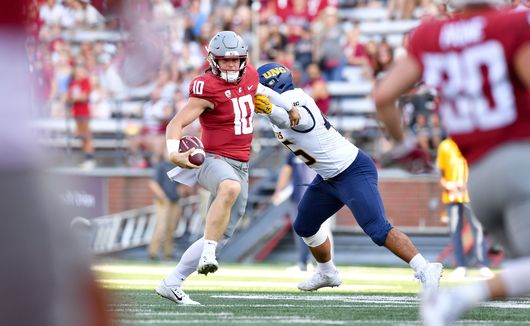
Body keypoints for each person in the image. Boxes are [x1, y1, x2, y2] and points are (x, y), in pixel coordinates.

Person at [372, 2, 530, 324]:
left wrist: (405, 144)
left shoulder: (430, 34)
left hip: (480, 179)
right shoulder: (512, 25)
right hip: (519, 163)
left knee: (522, 273)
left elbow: (382, 96)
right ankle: (458, 298)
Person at [254, 62, 443, 293]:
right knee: (305, 224)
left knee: (378, 229)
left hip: (352, 170)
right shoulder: (286, 102)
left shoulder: (297, 100)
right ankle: (327, 272)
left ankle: (425, 268)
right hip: (328, 177)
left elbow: (291, 119)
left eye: (262, 88)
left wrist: (270, 110)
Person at [155, 31, 300, 305]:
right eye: (225, 61)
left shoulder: (250, 76)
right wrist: (173, 153)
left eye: (236, 61)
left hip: (241, 164)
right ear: (213, 60)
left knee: (223, 236)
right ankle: (208, 254)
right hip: (213, 159)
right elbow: (176, 123)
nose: (232, 66)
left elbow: (262, 90)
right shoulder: (206, 87)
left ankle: (172, 282)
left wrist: (288, 105)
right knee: (229, 188)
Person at [436, 138, 492, 278]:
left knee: (477, 228)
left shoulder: (470, 140)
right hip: (451, 195)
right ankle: (461, 266)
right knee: (455, 231)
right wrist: (448, 185)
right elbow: (441, 175)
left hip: (469, 193)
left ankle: (483, 265)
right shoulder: (445, 146)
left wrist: (466, 183)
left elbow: (479, 165)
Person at [272, 152, 334, 272]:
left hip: (321, 197)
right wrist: (278, 191)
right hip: (298, 198)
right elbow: (286, 170)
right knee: (301, 233)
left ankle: (327, 265)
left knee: (324, 231)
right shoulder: (293, 151)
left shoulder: (322, 149)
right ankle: (303, 263)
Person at [148, 153, 183, 260]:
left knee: (171, 228)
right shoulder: (161, 166)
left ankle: (168, 253)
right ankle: (153, 253)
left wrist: (180, 193)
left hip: (175, 200)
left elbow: (181, 185)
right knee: (161, 227)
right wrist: (162, 196)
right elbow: (153, 183)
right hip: (163, 201)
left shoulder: (178, 167)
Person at [67, 63, 95, 169]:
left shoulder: (85, 81)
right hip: (76, 113)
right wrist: (76, 98)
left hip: (84, 112)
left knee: (86, 136)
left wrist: (75, 98)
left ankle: (90, 159)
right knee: (82, 137)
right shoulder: (72, 82)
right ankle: (86, 159)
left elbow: (84, 97)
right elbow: (69, 97)